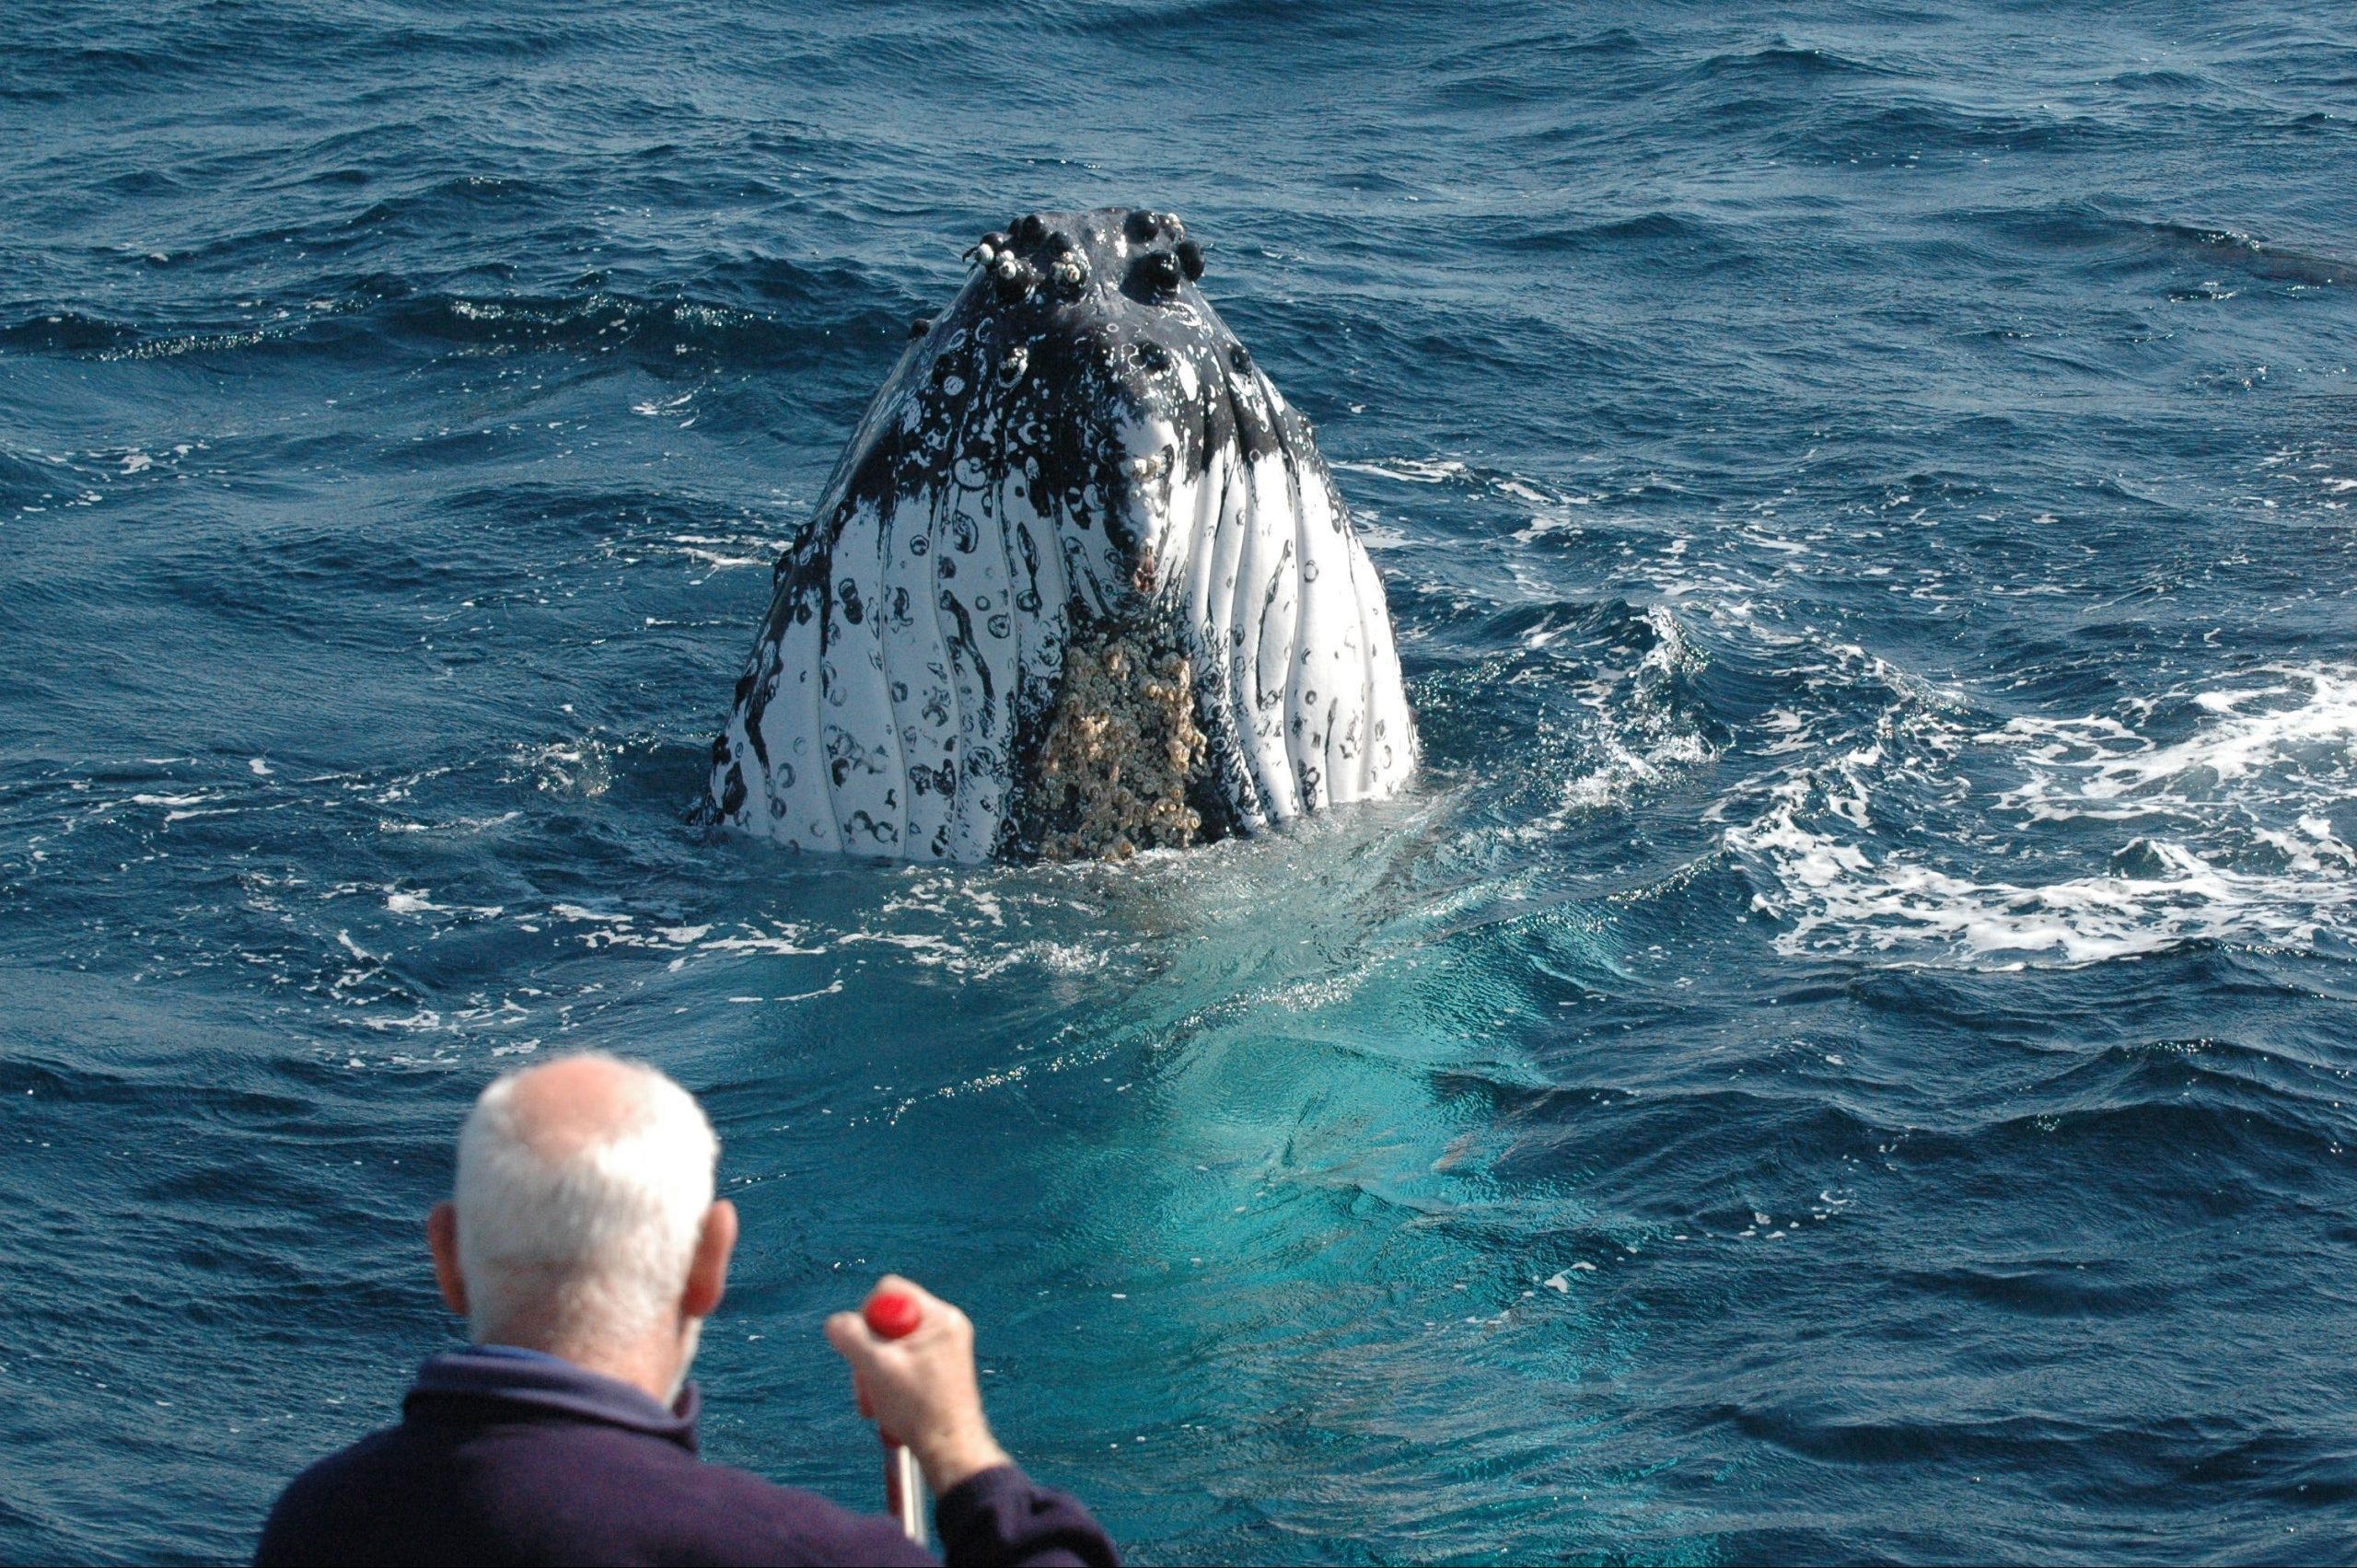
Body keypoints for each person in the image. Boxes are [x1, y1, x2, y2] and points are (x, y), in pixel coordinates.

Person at [255, 1052, 1119, 1566]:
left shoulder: (315, 1524)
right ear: (712, 1262)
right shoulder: (791, 1552)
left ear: (446, 1256)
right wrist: (963, 1454)